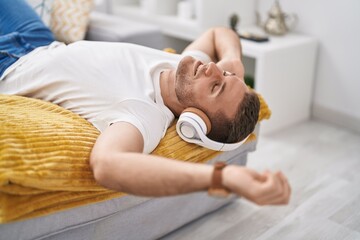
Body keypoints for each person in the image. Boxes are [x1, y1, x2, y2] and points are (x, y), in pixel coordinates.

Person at [0, 0, 290, 205]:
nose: (212, 69)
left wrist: (222, 177)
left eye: (216, 86)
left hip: (8, 65)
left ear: (194, 120)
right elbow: (218, 33)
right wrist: (233, 60)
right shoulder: (186, 70)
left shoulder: (142, 115)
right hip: (38, 39)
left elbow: (108, 165)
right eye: (224, 74)